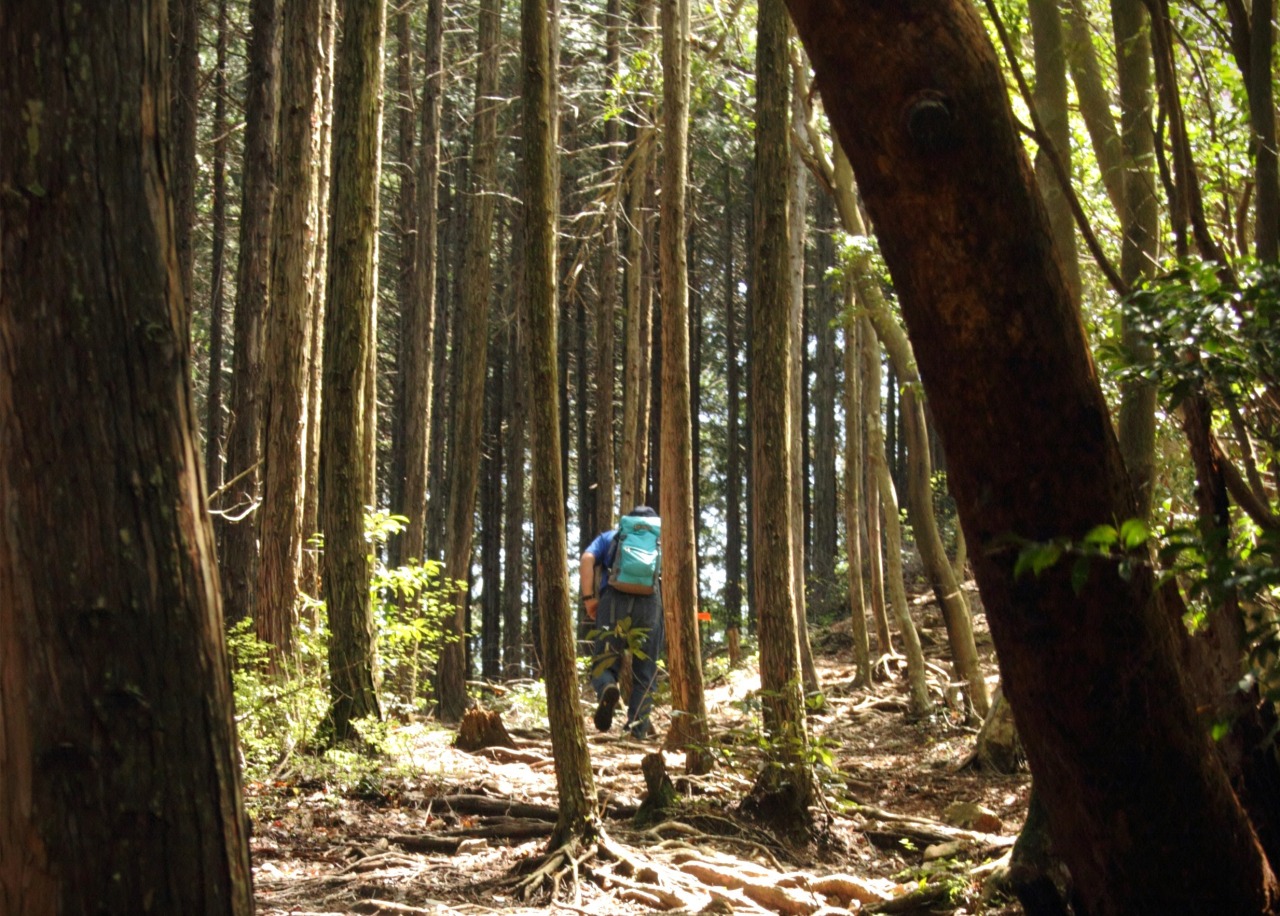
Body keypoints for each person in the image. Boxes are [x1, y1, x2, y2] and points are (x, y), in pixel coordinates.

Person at [579, 506, 664, 740]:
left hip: (613, 602)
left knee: (603, 662)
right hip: (649, 603)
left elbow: (587, 559)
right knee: (645, 672)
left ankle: (608, 685)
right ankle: (636, 731)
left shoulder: (613, 536)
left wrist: (589, 599)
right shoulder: (660, 540)